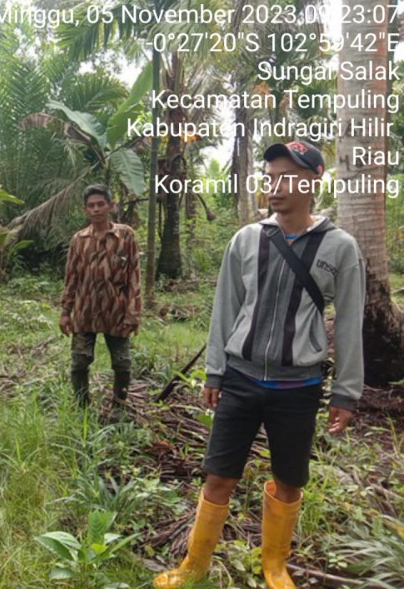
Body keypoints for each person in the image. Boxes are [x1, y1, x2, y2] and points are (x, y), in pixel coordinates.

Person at [153, 141, 365, 589]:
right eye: (270, 178)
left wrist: (346, 391)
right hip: (242, 379)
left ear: (314, 180)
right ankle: (194, 565)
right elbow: (225, 309)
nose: (276, 187)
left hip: (299, 387)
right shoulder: (247, 240)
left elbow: (349, 323)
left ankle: (274, 567)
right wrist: (215, 370)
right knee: (218, 476)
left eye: (287, 177)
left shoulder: (340, 248)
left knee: (288, 481)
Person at [59, 184, 141, 409]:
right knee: (79, 362)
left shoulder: (126, 236)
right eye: (91, 206)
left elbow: (134, 275)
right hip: (85, 310)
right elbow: (71, 276)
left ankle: (118, 406)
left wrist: (133, 312)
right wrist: (65, 312)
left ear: (110, 206)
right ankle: (82, 407)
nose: (96, 209)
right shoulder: (79, 240)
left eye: (100, 204)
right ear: (85, 210)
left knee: (122, 363)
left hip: (117, 310)